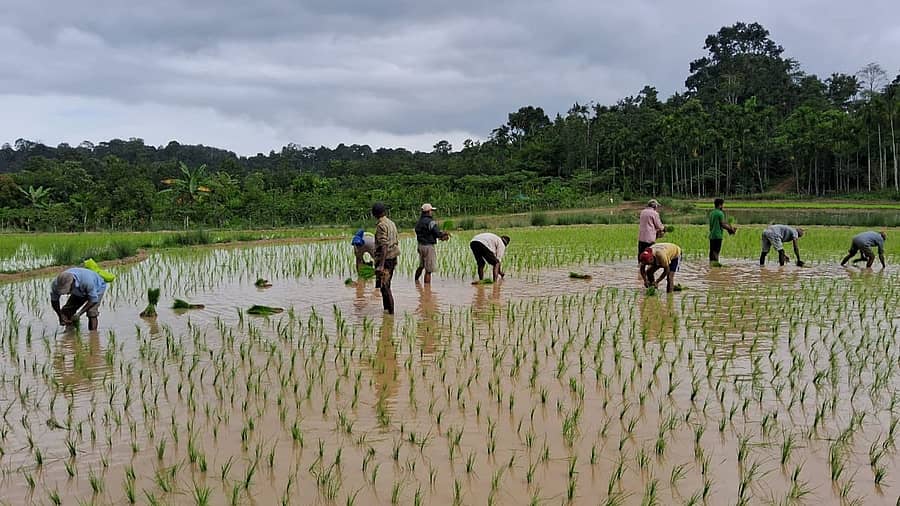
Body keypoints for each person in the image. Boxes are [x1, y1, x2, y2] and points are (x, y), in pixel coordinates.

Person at [372, 202, 400, 314]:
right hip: (392, 257)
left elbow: (384, 245)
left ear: (374, 214)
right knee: (385, 287)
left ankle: (391, 314)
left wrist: (381, 265)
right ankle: (386, 312)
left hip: (385, 259)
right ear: (384, 212)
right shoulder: (391, 223)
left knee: (385, 287)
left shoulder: (381, 225)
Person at [413, 203, 450, 284]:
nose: (432, 212)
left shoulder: (419, 222)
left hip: (420, 246)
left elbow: (420, 232)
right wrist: (443, 235)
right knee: (428, 270)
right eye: (431, 211)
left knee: (421, 266)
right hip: (428, 247)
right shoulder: (431, 222)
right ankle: (427, 291)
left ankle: (416, 282)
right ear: (428, 211)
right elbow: (437, 233)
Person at [708, 198, 737, 263]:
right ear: (720, 205)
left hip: (712, 235)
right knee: (716, 252)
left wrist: (729, 227)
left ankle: (711, 265)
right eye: (722, 205)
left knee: (712, 252)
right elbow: (722, 224)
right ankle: (716, 266)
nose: (723, 206)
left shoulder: (712, 213)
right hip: (718, 236)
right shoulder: (720, 213)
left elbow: (719, 223)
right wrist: (731, 229)